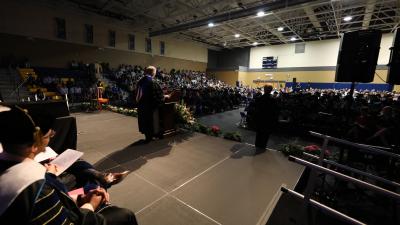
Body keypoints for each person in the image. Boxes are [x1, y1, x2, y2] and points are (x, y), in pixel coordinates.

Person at [0, 105, 138, 225]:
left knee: (79, 167)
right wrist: (90, 204)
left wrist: (80, 198)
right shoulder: (39, 187)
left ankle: (100, 180)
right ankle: (101, 182)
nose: (50, 140)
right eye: (49, 136)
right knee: (125, 215)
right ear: (35, 144)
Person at [136, 66, 167, 143]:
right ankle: (154, 136)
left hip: (142, 106)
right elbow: (159, 95)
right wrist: (164, 97)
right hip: (151, 107)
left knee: (144, 121)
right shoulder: (153, 82)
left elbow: (137, 96)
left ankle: (147, 137)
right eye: (155, 72)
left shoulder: (140, 81)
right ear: (153, 73)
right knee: (152, 121)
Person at [254, 85, 279, 152]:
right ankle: (262, 148)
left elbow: (256, 110)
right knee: (265, 135)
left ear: (264, 90)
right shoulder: (273, 100)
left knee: (259, 134)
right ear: (271, 90)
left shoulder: (259, 98)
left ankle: (257, 146)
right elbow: (275, 112)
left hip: (260, 119)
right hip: (268, 120)